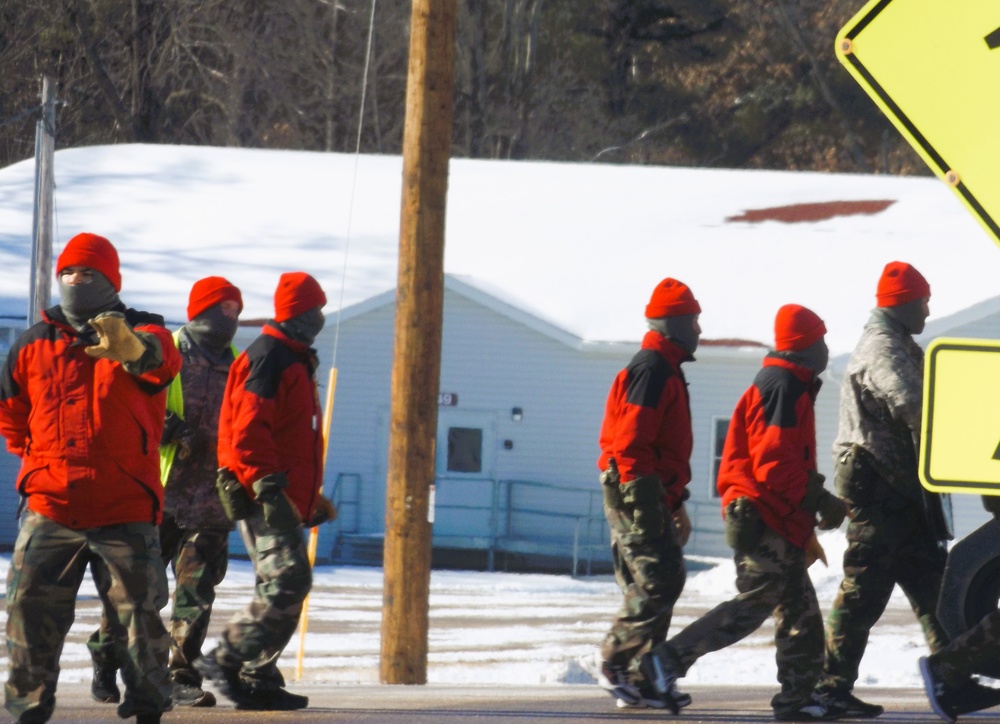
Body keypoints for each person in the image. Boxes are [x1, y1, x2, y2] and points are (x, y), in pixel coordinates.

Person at [0, 233, 182, 724]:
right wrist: (36, 460)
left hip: (124, 506)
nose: (76, 282)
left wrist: (129, 347)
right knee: (28, 614)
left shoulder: (147, 331)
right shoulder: (33, 342)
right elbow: (11, 411)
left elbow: (161, 364)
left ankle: (148, 708)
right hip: (51, 505)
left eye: (89, 274)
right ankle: (26, 711)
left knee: (139, 624)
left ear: (111, 281)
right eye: (69, 273)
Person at [643, 304, 850, 721]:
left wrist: (808, 506)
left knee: (801, 614)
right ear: (807, 346)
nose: (827, 349)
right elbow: (774, 463)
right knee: (755, 605)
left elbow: (782, 460)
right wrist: (819, 498)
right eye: (821, 340)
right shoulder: (783, 386)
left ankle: (797, 699)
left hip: (776, 516)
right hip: (764, 517)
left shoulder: (790, 383)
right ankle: (666, 661)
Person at [87, 276, 246, 708]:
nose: (230, 317)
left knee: (196, 594)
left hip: (212, 502)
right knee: (139, 592)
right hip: (159, 496)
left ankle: (179, 673)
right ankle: (106, 653)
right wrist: (171, 428)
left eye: (236, 310)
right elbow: (126, 407)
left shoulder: (239, 364)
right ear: (200, 310)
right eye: (223, 308)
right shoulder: (161, 350)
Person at [815, 261, 951, 719]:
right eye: (925, 302)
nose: (928, 312)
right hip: (881, 496)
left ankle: (955, 675)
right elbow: (915, 406)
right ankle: (829, 688)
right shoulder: (884, 349)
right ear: (906, 303)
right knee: (862, 595)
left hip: (901, 495)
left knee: (936, 589)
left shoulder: (898, 345)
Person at [195, 271, 336, 711]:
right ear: (299, 313)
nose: (320, 318)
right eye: (316, 310)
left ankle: (259, 678)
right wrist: (269, 490)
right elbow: (248, 429)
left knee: (281, 582)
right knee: (287, 580)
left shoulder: (291, 357)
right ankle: (228, 657)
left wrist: (310, 498)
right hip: (266, 495)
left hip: (285, 494)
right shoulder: (271, 357)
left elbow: (292, 436)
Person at [594, 277, 701, 711]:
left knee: (661, 580)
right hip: (637, 489)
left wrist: (674, 505)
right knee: (658, 581)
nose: (699, 330)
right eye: (693, 320)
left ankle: (642, 678)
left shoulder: (664, 367)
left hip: (652, 490)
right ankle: (613, 663)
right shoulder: (652, 368)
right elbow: (631, 442)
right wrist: (644, 502)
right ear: (673, 324)